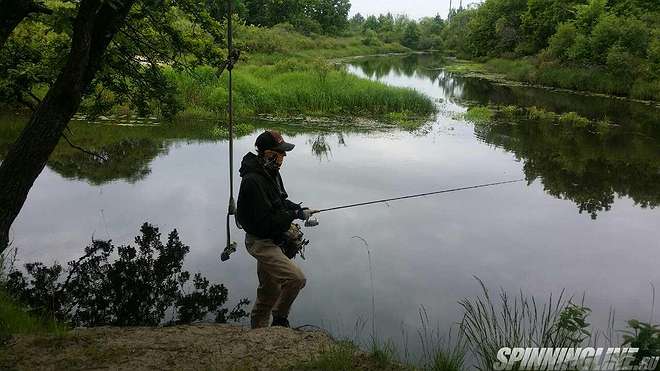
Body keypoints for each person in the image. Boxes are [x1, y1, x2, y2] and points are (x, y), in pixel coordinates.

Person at [236, 130, 316, 329]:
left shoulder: (271, 173)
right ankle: (280, 319)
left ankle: (258, 332)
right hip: (261, 241)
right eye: (280, 153)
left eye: (283, 153)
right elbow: (268, 221)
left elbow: (280, 202)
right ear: (267, 153)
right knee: (296, 279)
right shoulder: (252, 181)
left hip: (273, 237)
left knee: (269, 292)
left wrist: (298, 209)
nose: (283, 157)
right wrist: (295, 216)